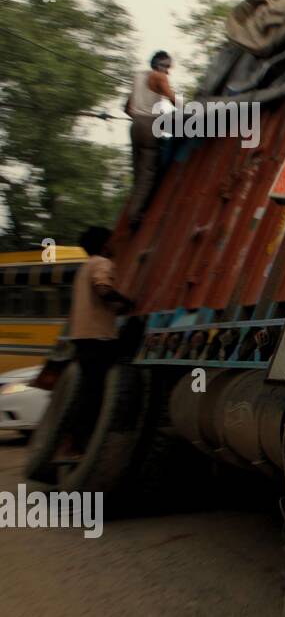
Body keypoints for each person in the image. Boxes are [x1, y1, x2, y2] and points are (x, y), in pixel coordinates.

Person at [65, 227, 134, 451]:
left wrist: (116, 309)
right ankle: (81, 442)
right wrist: (128, 302)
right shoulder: (102, 263)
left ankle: (73, 441)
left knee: (88, 389)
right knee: (95, 392)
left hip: (82, 337)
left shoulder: (84, 268)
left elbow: (97, 302)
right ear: (105, 245)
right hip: (98, 338)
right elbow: (103, 290)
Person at [124, 50, 177, 227]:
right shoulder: (159, 77)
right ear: (160, 65)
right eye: (167, 67)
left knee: (137, 171)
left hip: (135, 125)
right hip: (149, 126)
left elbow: (127, 107)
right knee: (148, 173)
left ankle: (132, 209)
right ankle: (135, 216)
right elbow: (173, 99)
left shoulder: (138, 76)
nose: (168, 71)